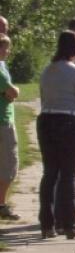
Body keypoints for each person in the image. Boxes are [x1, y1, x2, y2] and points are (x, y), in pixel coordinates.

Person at [38, 30, 75, 239]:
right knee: (69, 175)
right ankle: (69, 223)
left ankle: (47, 224)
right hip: (68, 121)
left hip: (46, 120)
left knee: (50, 173)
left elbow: (43, 97)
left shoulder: (47, 70)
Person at [0, 32, 21, 221]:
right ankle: (1, 204)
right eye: (6, 47)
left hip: (5, 118)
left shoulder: (2, 65)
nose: (9, 51)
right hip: (3, 121)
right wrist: (14, 91)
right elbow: (12, 92)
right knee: (9, 163)